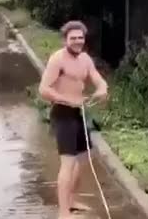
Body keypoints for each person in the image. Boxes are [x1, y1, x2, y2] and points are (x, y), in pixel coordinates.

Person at [38, 20, 108, 219]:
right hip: (62, 113)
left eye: (80, 38)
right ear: (65, 40)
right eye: (73, 38)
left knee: (84, 158)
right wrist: (66, 100)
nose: (77, 41)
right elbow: (43, 89)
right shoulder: (57, 59)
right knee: (68, 163)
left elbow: (97, 78)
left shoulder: (85, 59)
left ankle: (72, 201)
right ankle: (63, 213)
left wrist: (103, 89)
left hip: (80, 113)